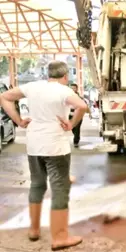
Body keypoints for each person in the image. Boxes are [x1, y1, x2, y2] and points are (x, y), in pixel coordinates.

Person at [0, 61, 88, 250]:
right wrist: (71, 124)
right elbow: (82, 106)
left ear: (48, 74)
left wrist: (18, 121)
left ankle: (33, 230)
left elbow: (5, 97)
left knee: (37, 184)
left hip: (34, 145)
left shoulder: (33, 86)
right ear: (65, 76)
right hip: (56, 146)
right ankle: (60, 237)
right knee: (59, 188)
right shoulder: (64, 91)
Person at [69, 83, 89, 148]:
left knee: (77, 128)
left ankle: (76, 141)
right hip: (70, 116)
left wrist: (89, 113)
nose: (72, 89)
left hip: (78, 116)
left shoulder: (80, 98)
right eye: (71, 88)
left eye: (74, 88)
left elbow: (85, 106)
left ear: (76, 89)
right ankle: (76, 136)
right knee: (73, 128)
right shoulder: (67, 97)